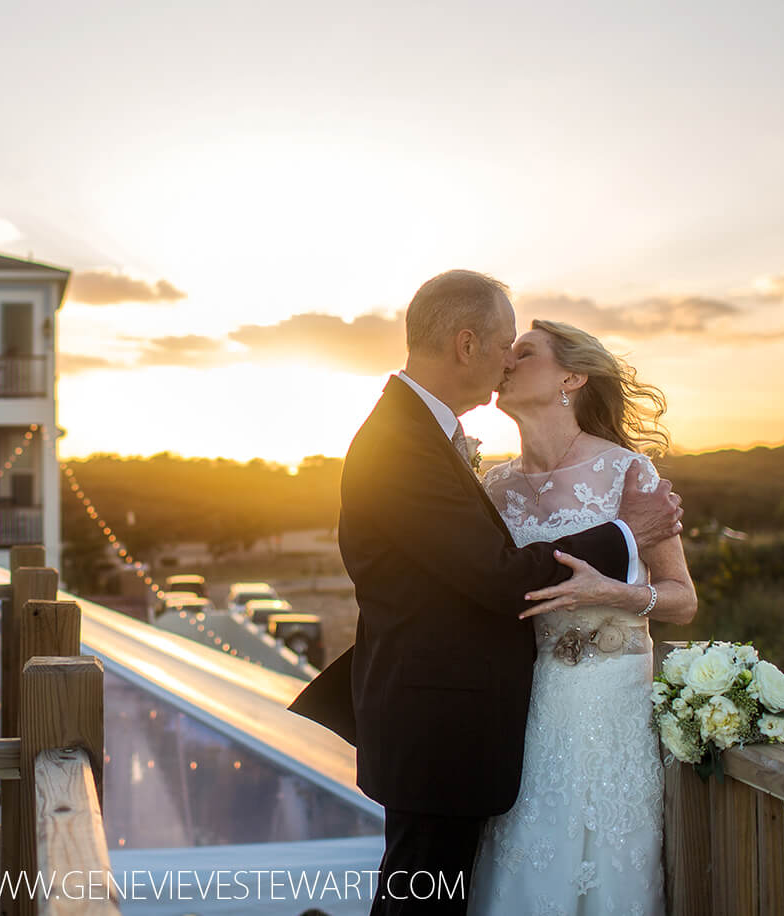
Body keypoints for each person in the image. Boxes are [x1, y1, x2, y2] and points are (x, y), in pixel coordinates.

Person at [288, 271, 683, 915]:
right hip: (435, 731)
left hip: (481, 726)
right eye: (506, 344)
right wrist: (624, 532)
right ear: (467, 345)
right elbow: (502, 579)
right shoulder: (401, 445)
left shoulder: (421, 434)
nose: (507, 362)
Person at [467, 320, 696, 916]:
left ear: (571, 376)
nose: (508, 362)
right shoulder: (495, 487)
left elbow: (682, 598)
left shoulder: (627, 473)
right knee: (525, 851)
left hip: (609, 701)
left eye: (525, 353)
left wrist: (616, 593)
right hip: (526, 699)